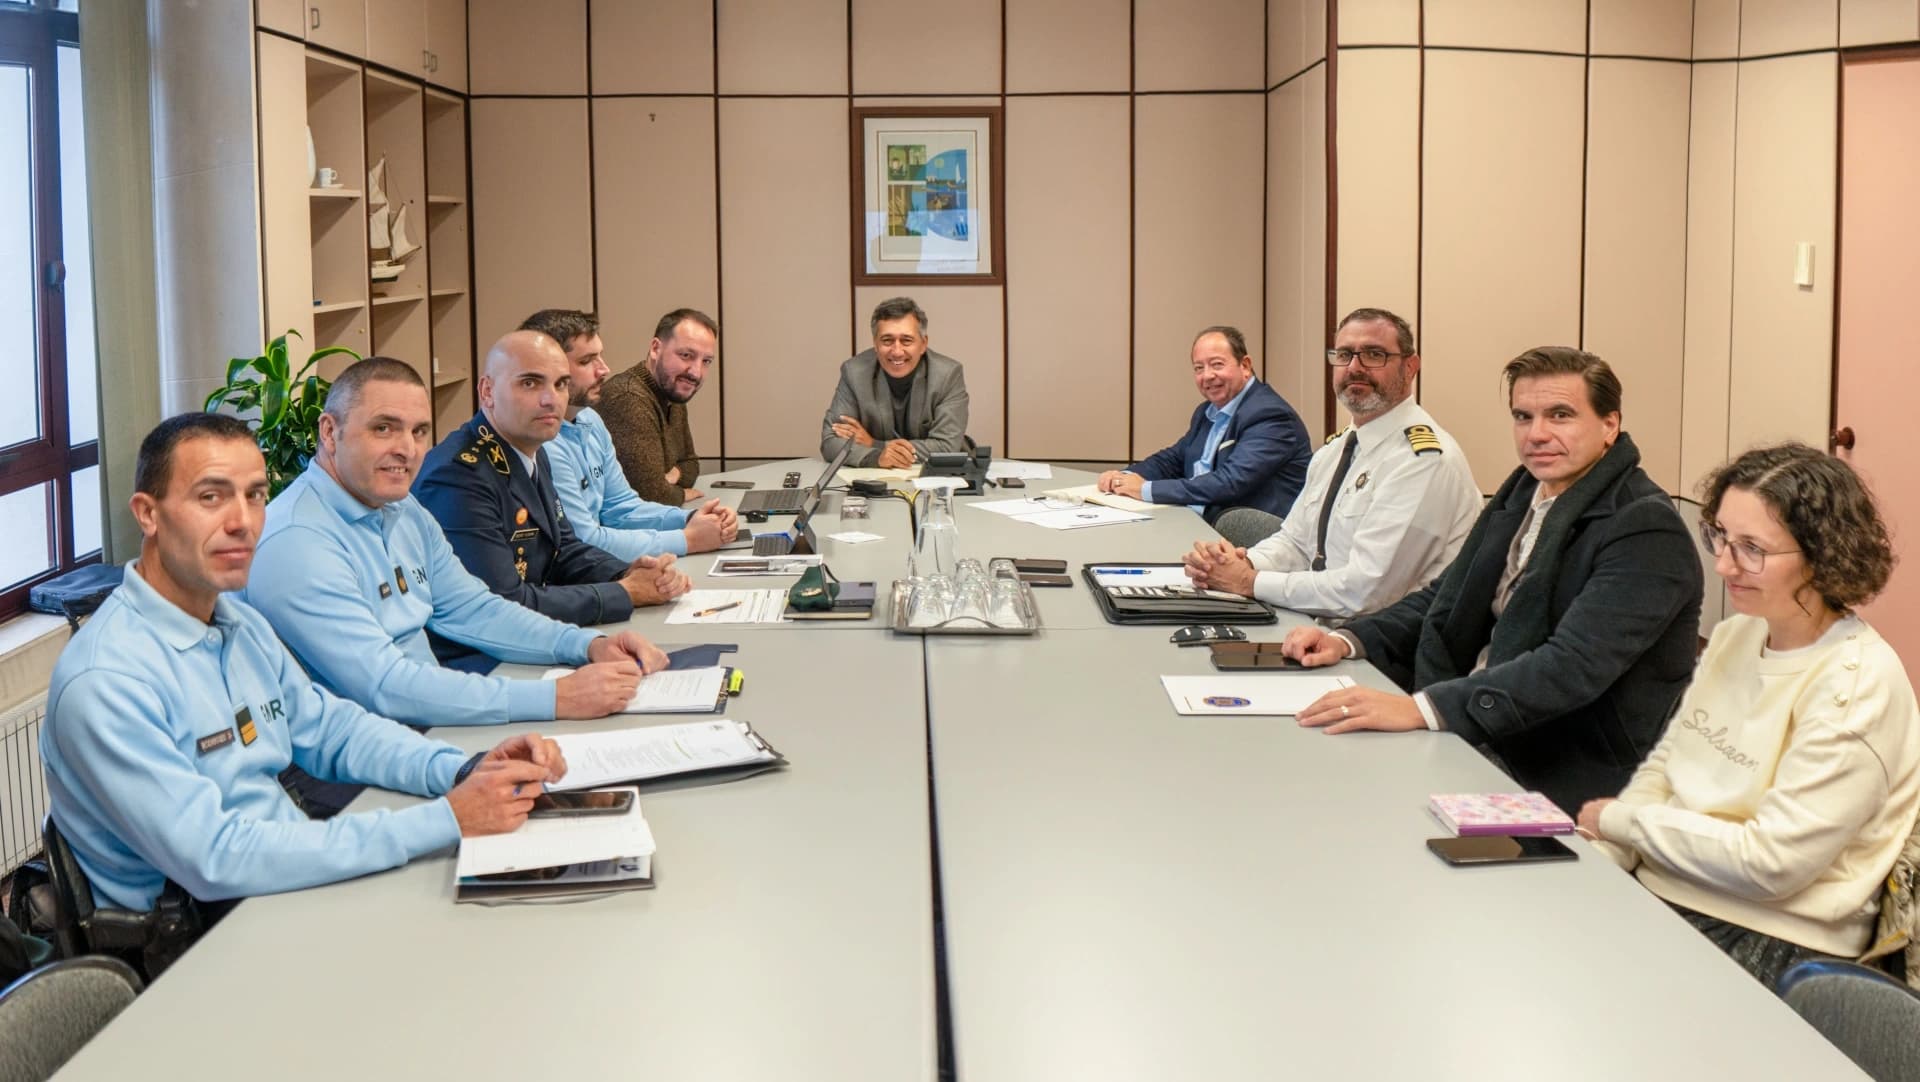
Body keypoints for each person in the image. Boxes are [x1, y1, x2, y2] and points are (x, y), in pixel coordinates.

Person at [41, 412, 565, 918]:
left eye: (255, 496)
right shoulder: (107, 680)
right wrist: (447, 818)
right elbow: (215, 857)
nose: (241, 522)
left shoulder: (236, 623)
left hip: (282, 882)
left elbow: (332, 730)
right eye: (210, 497)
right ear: (148, 514)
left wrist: (463, 769)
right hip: (203, 936)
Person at [1284, 346, 1703, 813]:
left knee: (1344, 804)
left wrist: (1423, 709)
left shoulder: (1644, 527)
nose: (1537, 434)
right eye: (1523, 417)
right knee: (1309, 772)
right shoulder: (1524, 490)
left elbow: (1570, 667)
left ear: (1610, 425)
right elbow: (1447, 594)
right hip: (1482, 722)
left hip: (1557, 763)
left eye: (1560, 415)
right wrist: (1348, 640)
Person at [1577, 443, 1919, 987]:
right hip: (1670, 885)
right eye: (1720, 537)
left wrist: (1623, 823)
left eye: (1752, 549)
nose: (1723, 565)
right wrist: (1614, 851)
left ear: (1822, 555)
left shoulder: (1856, 684)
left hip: (1770, 933)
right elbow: (1669, 764)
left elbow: (1771, 864)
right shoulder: (1739, 634)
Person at [248, 356, 670, 733]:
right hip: (364, 762)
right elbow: (384, 685)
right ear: (329, 431)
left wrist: (589, 646)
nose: (406, 449)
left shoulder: (402, 509)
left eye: (419, 431)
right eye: (383, 428)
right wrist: (557, 698)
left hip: (431, 727)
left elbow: (474, 609)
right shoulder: (297, 541)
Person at [1182, 308, 1481, 615]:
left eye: (1374, 355)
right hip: (1316, 619)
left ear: (1410, 367)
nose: (1354, 367)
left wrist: (1249, 581)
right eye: (1344, 355)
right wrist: (1239, 563)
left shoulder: (1422, 461)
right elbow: (1296, 543)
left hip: (1376, 637)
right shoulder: (1335, 450)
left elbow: (1365, 592)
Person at [413, 331, 691, 654]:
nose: (551, 399)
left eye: (561, 384)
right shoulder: (459, 476)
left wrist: (627, 572)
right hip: (481, 657)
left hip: (530, 639)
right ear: (487, 391)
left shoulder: (531, 449)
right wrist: (625, 592)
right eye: (530, 383)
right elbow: (505, 603)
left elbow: (564, 549)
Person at [519, 309, 739, 561]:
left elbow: (622, 507)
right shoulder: (545, 442)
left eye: (706, 361)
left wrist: (691, 518)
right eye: (586, 361)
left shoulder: (590, 419)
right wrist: (688, 539)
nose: (604, 370)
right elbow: (583, 540)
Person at [1094, 325, 1311, 524]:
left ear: (1245, 366)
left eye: (1217, 365)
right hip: (1200, 524)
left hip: (1248, 538)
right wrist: (1123, 477)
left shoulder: (1270, 415)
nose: (1207, 376)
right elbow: (1173, 459)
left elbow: (1229, 482)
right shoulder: (1207, 411)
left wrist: (1144, 489)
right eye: (1199, 368)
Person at [821, 296, 969, 468]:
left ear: (923, 344)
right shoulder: (854, 372)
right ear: (875, 343)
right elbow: (830, 442)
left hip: (935, 475)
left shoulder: (948, 374)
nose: (897, 351)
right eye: (887, 340)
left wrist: (875, 444)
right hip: (876, 477)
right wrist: (876, 457)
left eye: (906, 340)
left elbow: (946, 447)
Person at [597, 307, 716, 506]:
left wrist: (674, 475)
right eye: (686, 355)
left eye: (706, 361)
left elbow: (691, 464)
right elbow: (650, 496)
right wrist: (679, 493)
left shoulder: (671, 390)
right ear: (655, 349)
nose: (696, 372)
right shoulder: (628, 398)